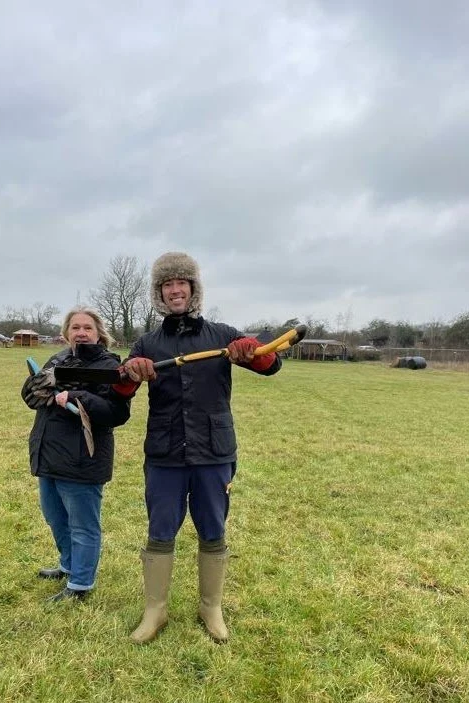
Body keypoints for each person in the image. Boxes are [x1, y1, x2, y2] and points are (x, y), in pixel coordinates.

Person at [120, 252, 282, 643]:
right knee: (160, 530)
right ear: (159, 293)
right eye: (167, 285)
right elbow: (121, 388)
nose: (175, 290)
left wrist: (254, 350)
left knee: (213, 529)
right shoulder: (148, 342)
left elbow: (271, 365)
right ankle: (155, 611)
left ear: (194, 289)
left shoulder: (222, 335)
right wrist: (131, 372)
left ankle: (211, 607)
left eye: (182, 283)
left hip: (214, 452)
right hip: (165, 453)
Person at [21, 306, 132, 602]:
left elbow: (116, 413)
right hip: (49, 454)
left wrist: (76, 396)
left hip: (83, 458)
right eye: (75, 327)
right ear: (66, 332)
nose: (81, 332)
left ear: (99, 334)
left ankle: (81, 584)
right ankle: (68, 565)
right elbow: (31, 396)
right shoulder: (57, 359)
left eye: (87, 328)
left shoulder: (109, 366)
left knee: (83, 525)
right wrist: (38, 387)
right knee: (55, 518)